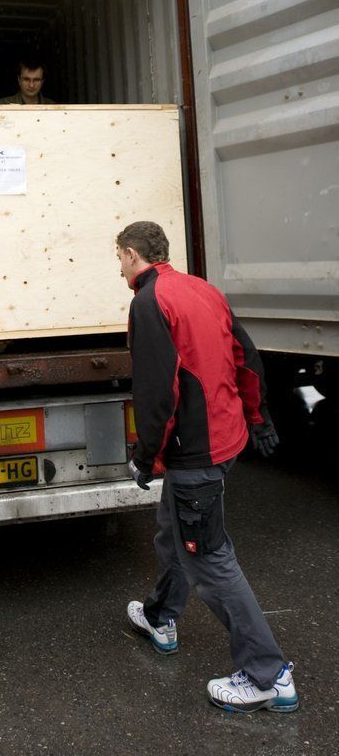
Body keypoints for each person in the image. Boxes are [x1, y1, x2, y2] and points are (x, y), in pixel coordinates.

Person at [116, 221, 298, 715]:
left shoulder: (149, 302)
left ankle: (268, 676)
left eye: (120, 259)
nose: (120, 269)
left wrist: (145, 456)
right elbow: (247, 357)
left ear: (132, 254)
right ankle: (160, 616)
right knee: (173, 528)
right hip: (225, 437)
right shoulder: (202, 288)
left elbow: (158, 392)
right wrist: (258, 416)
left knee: (210, 561)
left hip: (194, 452)